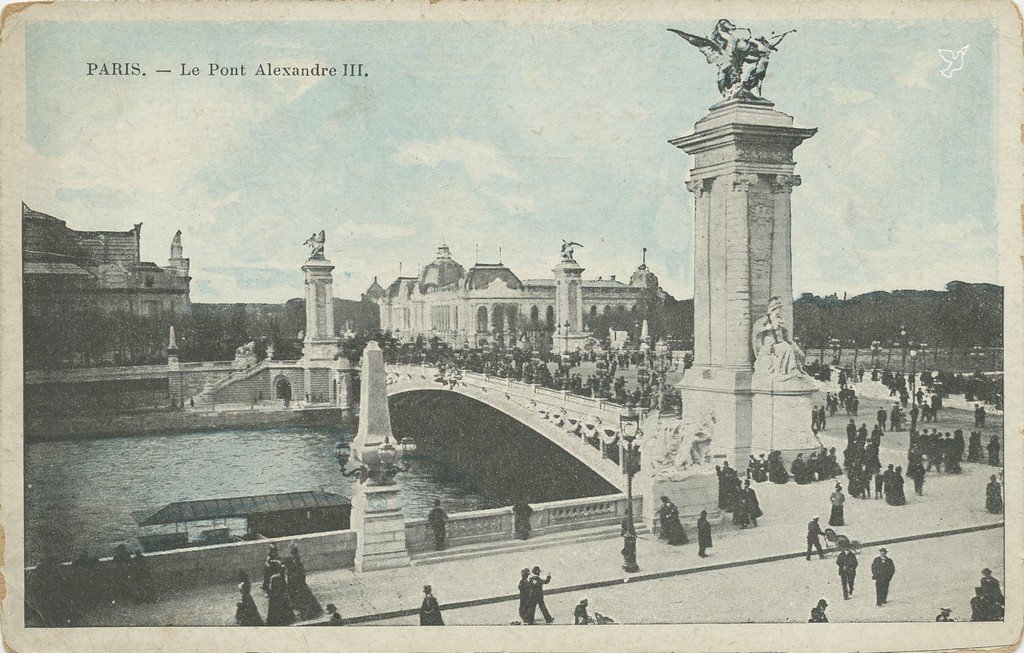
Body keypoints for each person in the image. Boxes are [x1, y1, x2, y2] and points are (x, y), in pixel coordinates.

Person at [265, 560, 295, 626]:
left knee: (277, 610)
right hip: (281, 595)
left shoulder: (274, 577)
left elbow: (274, 588)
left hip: (276, 596)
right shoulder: (278, 576)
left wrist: (270, 593)